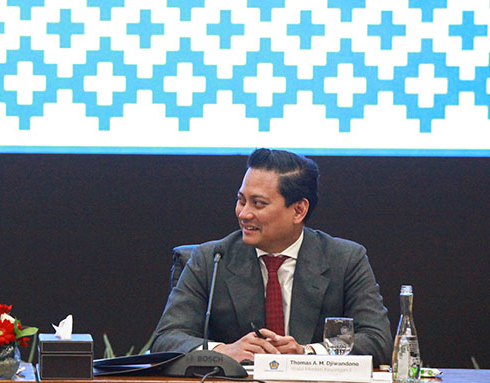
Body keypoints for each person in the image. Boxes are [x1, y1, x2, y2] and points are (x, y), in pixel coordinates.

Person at [151, 148, 392, 365]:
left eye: (258, 204)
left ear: (299, 210)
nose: (244, 214)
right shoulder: (211, 259)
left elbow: (377, 340)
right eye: (241, 200)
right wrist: (224, 351)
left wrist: (307, 353)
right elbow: (166, 339)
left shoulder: (345, 260)